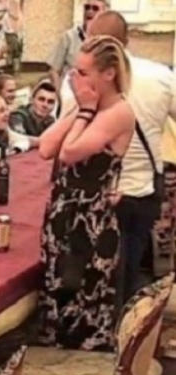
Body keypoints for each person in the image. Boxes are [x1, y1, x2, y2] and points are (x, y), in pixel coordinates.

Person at [37, 35, 135, 353]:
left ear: (108, 74)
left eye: (82, 72)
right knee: (55, 297)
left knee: (83, 306)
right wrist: (80, 111)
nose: (73, 78)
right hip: (63, 216)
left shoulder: (119, 112)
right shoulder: (86, 110)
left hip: (90, 223)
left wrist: (85, 112)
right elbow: (46, 148)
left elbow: (70, 153)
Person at [86, 10, 176, 305]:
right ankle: (129, 322)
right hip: (141, 189)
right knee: (130, 270)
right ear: (127, 40)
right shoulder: (161, 76)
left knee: (95, 281)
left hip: (95, 193)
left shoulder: (83, 78)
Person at [50, 0, 109, 115]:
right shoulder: (69, 37)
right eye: (87, 7)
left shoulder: (107, 41)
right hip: (70, 100)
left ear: (104, 13)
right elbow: (54, 71)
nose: (90, 11)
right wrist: (61, 98)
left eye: (95, 8)